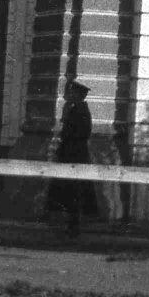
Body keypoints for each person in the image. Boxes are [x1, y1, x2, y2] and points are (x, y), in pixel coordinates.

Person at [48, 80, 97, 238]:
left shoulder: (80, 111)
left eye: (72, 93)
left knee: (74, 191)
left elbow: (80, 133)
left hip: (75, 155)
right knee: (69, 191)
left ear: (78, 95)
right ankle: (69, 223)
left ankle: (73, 225)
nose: (69, 96)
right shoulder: (74, 109)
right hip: (71, 154)